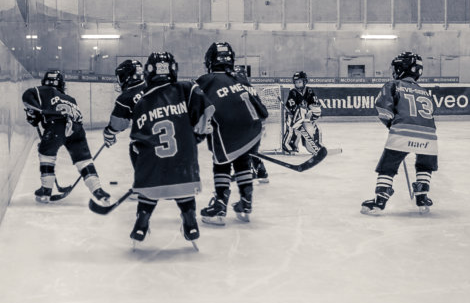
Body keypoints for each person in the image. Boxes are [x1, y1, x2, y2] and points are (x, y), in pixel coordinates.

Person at [105, 52, 214, 244]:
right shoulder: (186, 88)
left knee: (148, 186)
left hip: (152, 164)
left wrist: (109, 133)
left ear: (149, 72)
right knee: (184, 186)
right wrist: (199, 133)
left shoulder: (140, 102)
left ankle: (141, 223)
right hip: (183, 164)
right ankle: (190, 222)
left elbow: (132, 135)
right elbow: (208, 109)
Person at [195, 42, 268, 224]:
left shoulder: (205, 80)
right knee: (242, 160)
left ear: (210, 61)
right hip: (254, 130)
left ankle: (219, 205)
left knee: (221, 163)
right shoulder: (239, 78)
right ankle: (245, 202)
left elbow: (195, 107)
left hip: (229, 131)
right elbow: (263, 112)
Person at [360, 51, 438, 215]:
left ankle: (380, 201)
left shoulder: (393, 85)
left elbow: (383, 110)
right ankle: (422, 197)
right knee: (425, 165)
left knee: (387, 167)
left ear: (402, 69)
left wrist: (391, 125)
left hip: (402, 133)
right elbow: (430, 115)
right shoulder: (424, 92)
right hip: (430, 137)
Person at [22, 70, 111, 205]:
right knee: (84, 161)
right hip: (77, 130)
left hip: (55, 126)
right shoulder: (70, 99)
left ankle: (46, 191)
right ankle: (99, 192)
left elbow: (27, 96)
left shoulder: (42, 90)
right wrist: (36, 114)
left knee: (46, 154)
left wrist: (36, 112)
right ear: (61, 84)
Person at [282, 71, 324, 157]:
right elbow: (292, 106)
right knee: (295, 131)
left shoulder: (309, 90)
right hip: (293, 117)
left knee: (314, 128)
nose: (297, 84)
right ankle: (289, 145)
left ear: (305, 82)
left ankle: (315, 145)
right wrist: (298, 112)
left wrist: (310, 113)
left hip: (305, 117)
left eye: (299, 82)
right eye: (296, 82)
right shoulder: (293, 92)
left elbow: (315, 103)